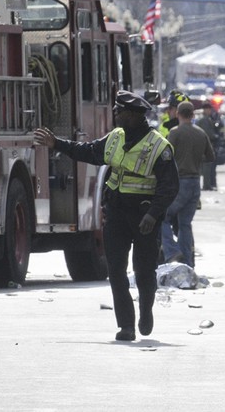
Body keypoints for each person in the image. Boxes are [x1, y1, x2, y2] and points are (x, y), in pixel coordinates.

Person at [33, 91, 178, 341]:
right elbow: (88, 152)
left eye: (119, 112)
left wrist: (153, 215)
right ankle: (126, 325)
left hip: (144, 217)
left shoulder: (159, 146)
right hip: (117, 214)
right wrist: (56, 143)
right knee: (116, 270)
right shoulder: (115, 138)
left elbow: (169, 187)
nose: (115, 115)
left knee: (144, 271)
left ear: (132, 115)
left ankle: (146, 310)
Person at [161, 101, 214, 268]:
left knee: (161, 217)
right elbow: (210, 157)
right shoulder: (201, 133)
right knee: (185, 224)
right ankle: (187, 263)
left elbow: (166, 157)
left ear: (177, 114)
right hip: (195, 183)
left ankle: (171, 251)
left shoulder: (174, 133)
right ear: (193, 114)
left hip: (180, 182)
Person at [196, 101, 223, 190]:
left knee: (206, 166)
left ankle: (208, 184)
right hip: (205, 146)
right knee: (206, 167)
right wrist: (216, 136)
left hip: (204, 145)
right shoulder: (204, 120)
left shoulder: (208, 119)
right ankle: (206, 185)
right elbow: (208, 133)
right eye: (208, 109)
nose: (210, 111)